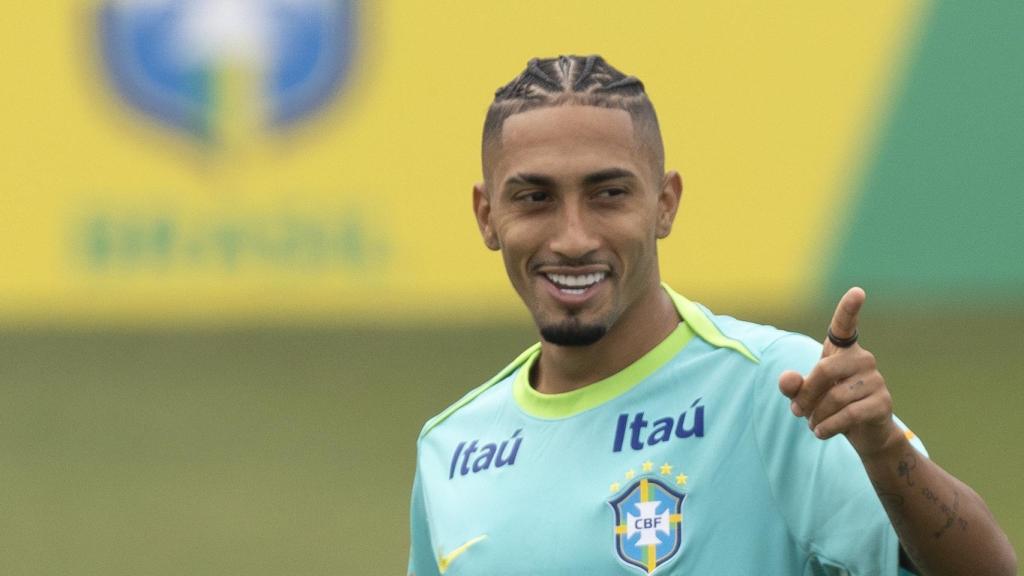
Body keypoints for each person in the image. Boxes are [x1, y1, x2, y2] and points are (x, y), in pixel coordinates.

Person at [407, 55, 1016, 575]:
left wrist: (885, 452)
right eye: (535, 197)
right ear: (487, 216)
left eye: (609, 194)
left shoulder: (781, 389)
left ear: (664, 205)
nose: (572, 237)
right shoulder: (450, 447)